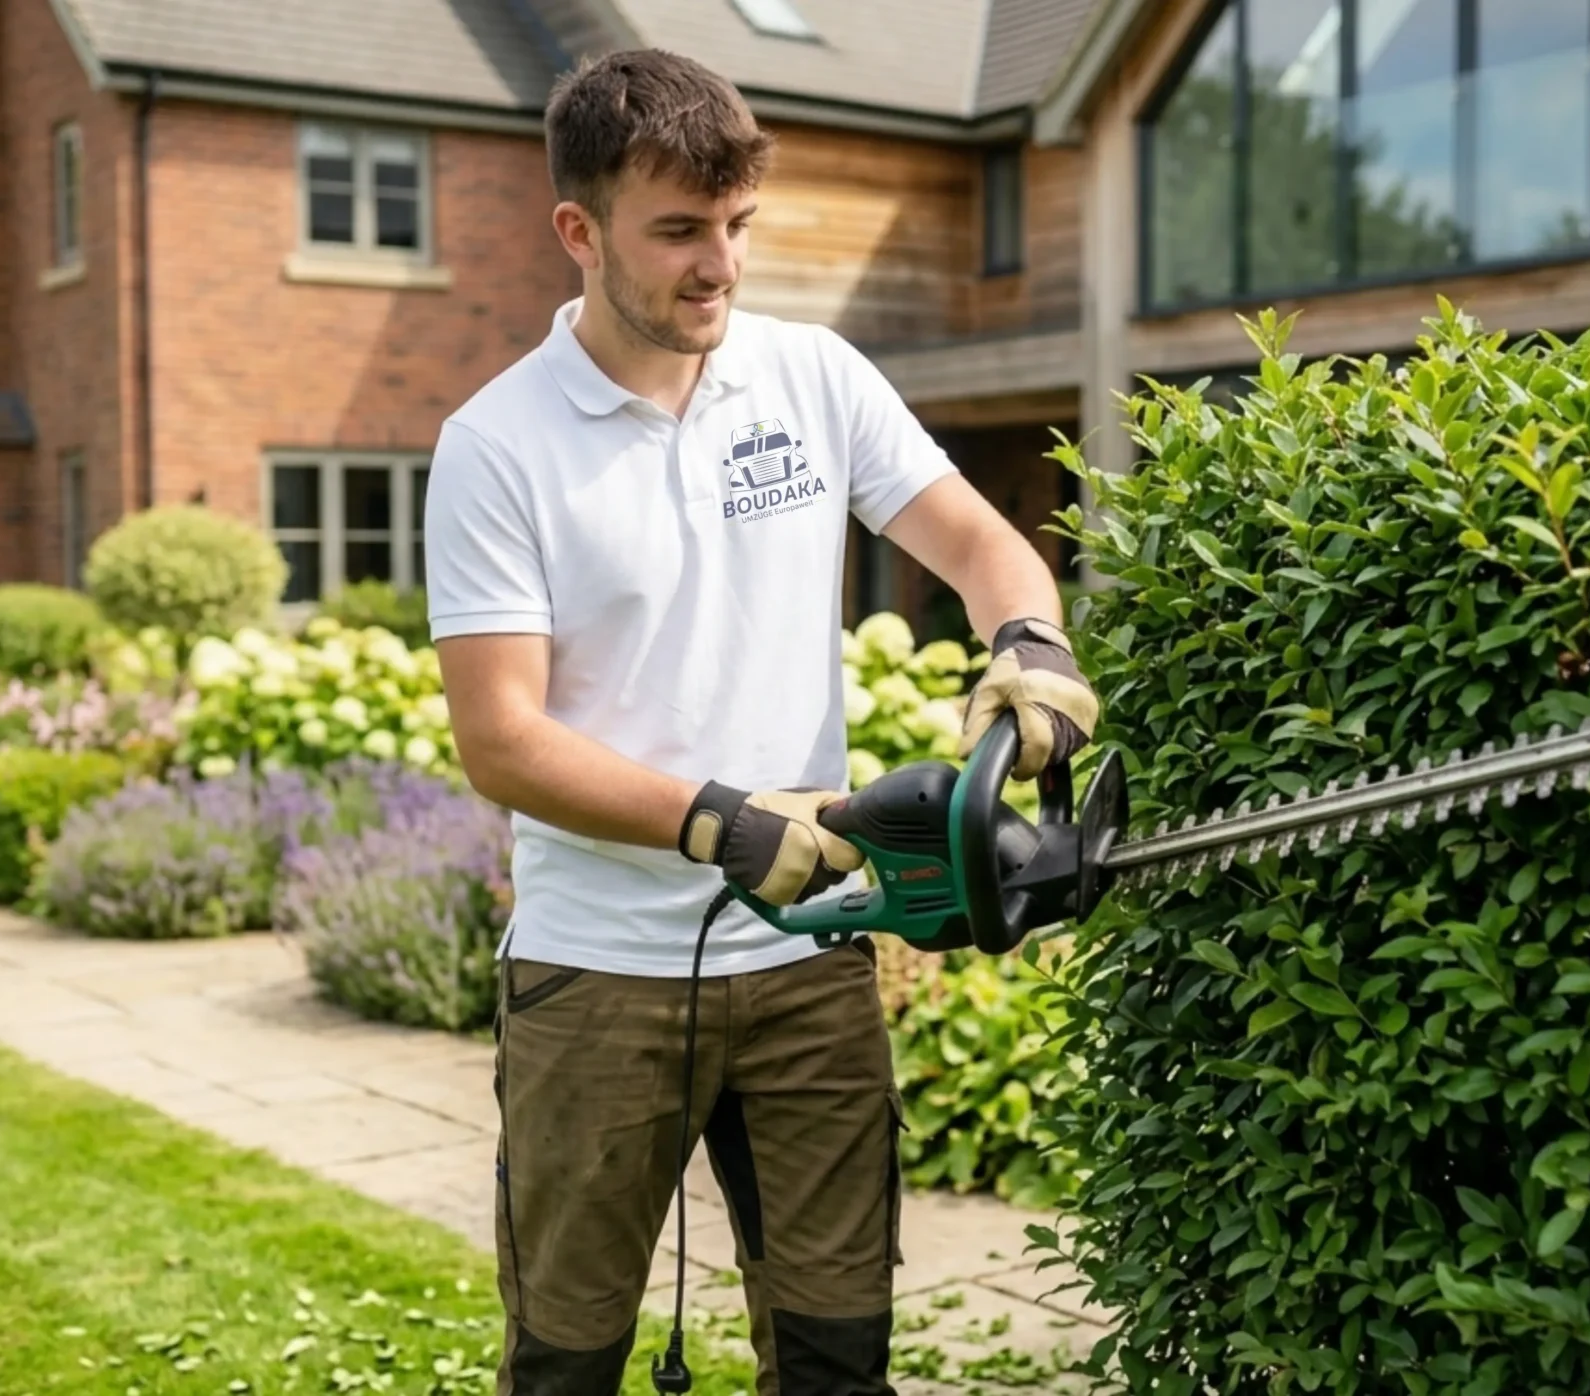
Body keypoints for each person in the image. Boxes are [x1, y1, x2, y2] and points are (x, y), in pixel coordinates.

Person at [423, 46, 1101, 1396]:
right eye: (678, 230)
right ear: (579, 230)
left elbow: (982, 544)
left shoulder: (813, 378)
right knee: (566, 1362)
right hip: (598, 979)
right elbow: (501, 738)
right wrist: (717, 824)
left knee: (841, 1358)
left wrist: (1029, 647)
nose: (718, 265)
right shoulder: (497, 445)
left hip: (809, 969)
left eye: (736, 227)